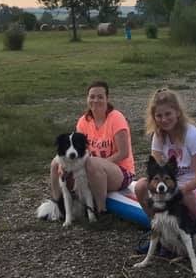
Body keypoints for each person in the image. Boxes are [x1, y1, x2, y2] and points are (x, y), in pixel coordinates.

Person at [48, 80, 135, 213]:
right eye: (92, 97)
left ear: (107, 99)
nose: (96, 100)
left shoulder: (116, 118)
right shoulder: (83, 121)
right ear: (87, 98)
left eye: (100, 97)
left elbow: (124, 153)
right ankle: (58, 205)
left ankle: (100, 210)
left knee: (91, 163)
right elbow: (78, 151)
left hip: (120, 172)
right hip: (91, 170)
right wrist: (62, 164)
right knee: (55, 163)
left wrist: (99, 164)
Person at [134, 88, 196, 221]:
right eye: (159, 116)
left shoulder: (192, 136)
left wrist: (175, 192)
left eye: (168, 114)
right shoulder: (158, 136)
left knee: (183, 195)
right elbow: (156, 172)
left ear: (177, 112)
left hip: (195, 191)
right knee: (140, 186)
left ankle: (189, 221)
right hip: (171, 185)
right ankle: (156, 224)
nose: (164, 119)